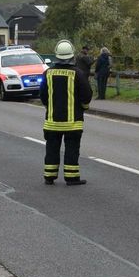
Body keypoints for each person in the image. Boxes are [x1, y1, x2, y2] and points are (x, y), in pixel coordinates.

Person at [40, 39, 92, 185]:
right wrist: (84, 107)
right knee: (72, 149)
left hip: (52, 123)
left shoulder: (47, 73)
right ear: (72, 55)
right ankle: (71, 178)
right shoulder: (78, 74)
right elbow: (87, 95)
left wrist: (48, 107)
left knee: (51, 149)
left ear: (56, 55)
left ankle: (49, 176)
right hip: (73, 123)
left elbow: (43, 95)